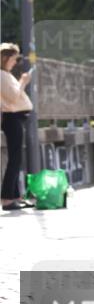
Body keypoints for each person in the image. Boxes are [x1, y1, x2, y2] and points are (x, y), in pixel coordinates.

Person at [0, 43, 35, 211]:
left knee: (16, 159)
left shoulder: (5, 75)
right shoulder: (2, 75)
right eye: (14, 58)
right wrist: (23, 81)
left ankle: (14, 196)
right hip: (12, 118)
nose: (16, 62)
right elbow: (13, 97)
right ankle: (7, 198)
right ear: (6, 58)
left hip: (15, 118)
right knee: (14, 159)